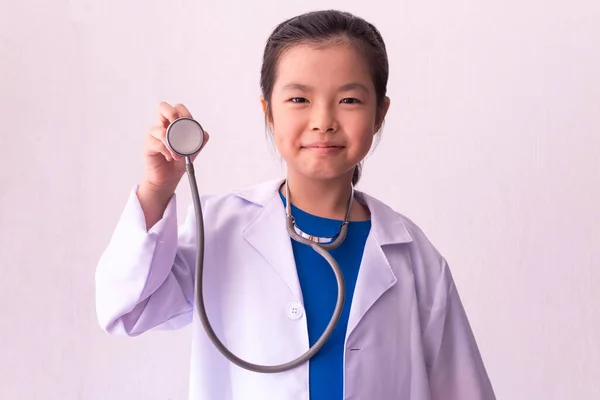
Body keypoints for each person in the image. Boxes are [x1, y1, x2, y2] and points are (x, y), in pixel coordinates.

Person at [95, 9, 496, 400]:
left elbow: (462, 388)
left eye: (350, 100)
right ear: (268, 112)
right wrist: (157, 188)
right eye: (300, 99)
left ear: (380, 114)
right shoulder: (220, 228)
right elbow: (127, 310)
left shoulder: (416, 259)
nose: (323, 121)